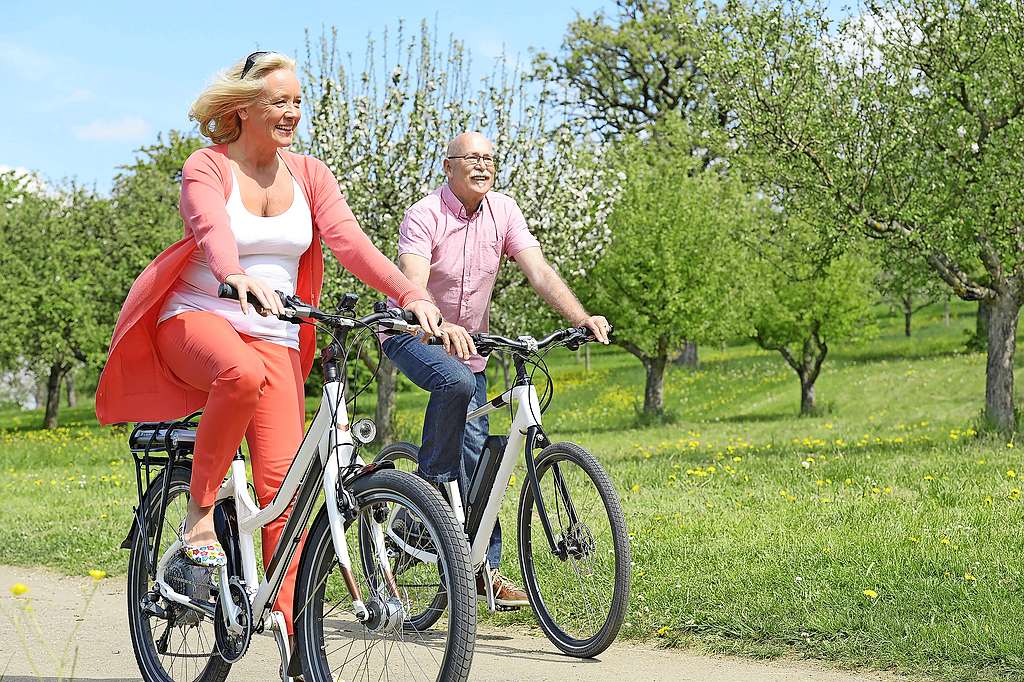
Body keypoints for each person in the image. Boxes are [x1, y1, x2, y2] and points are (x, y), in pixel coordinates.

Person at [95, 52, 442, 639]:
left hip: (278, 334)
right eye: (279, 101)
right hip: (201, 317)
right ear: (242, 108)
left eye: (298, 102)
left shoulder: (309, 174)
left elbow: (350, 243)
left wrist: (407, 291)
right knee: (238, 373)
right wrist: (233, 274)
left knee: (285, 499)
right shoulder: (206, 167)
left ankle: (293, 642)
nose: (292, 113)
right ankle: (199, 518)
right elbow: (209, 228)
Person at [382, 131, 611, 608]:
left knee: (482, 453)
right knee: (456, 383)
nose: (483, 165)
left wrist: (581, 318)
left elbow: (540, 271)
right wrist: (433, 320)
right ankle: (425, 499)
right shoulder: (424, 215)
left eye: (489, 158)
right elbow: (413, 278)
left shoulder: (504, 211)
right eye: (472, 158)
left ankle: (482, 568)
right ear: (448, 166)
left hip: (471, 347)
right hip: (411, 333)